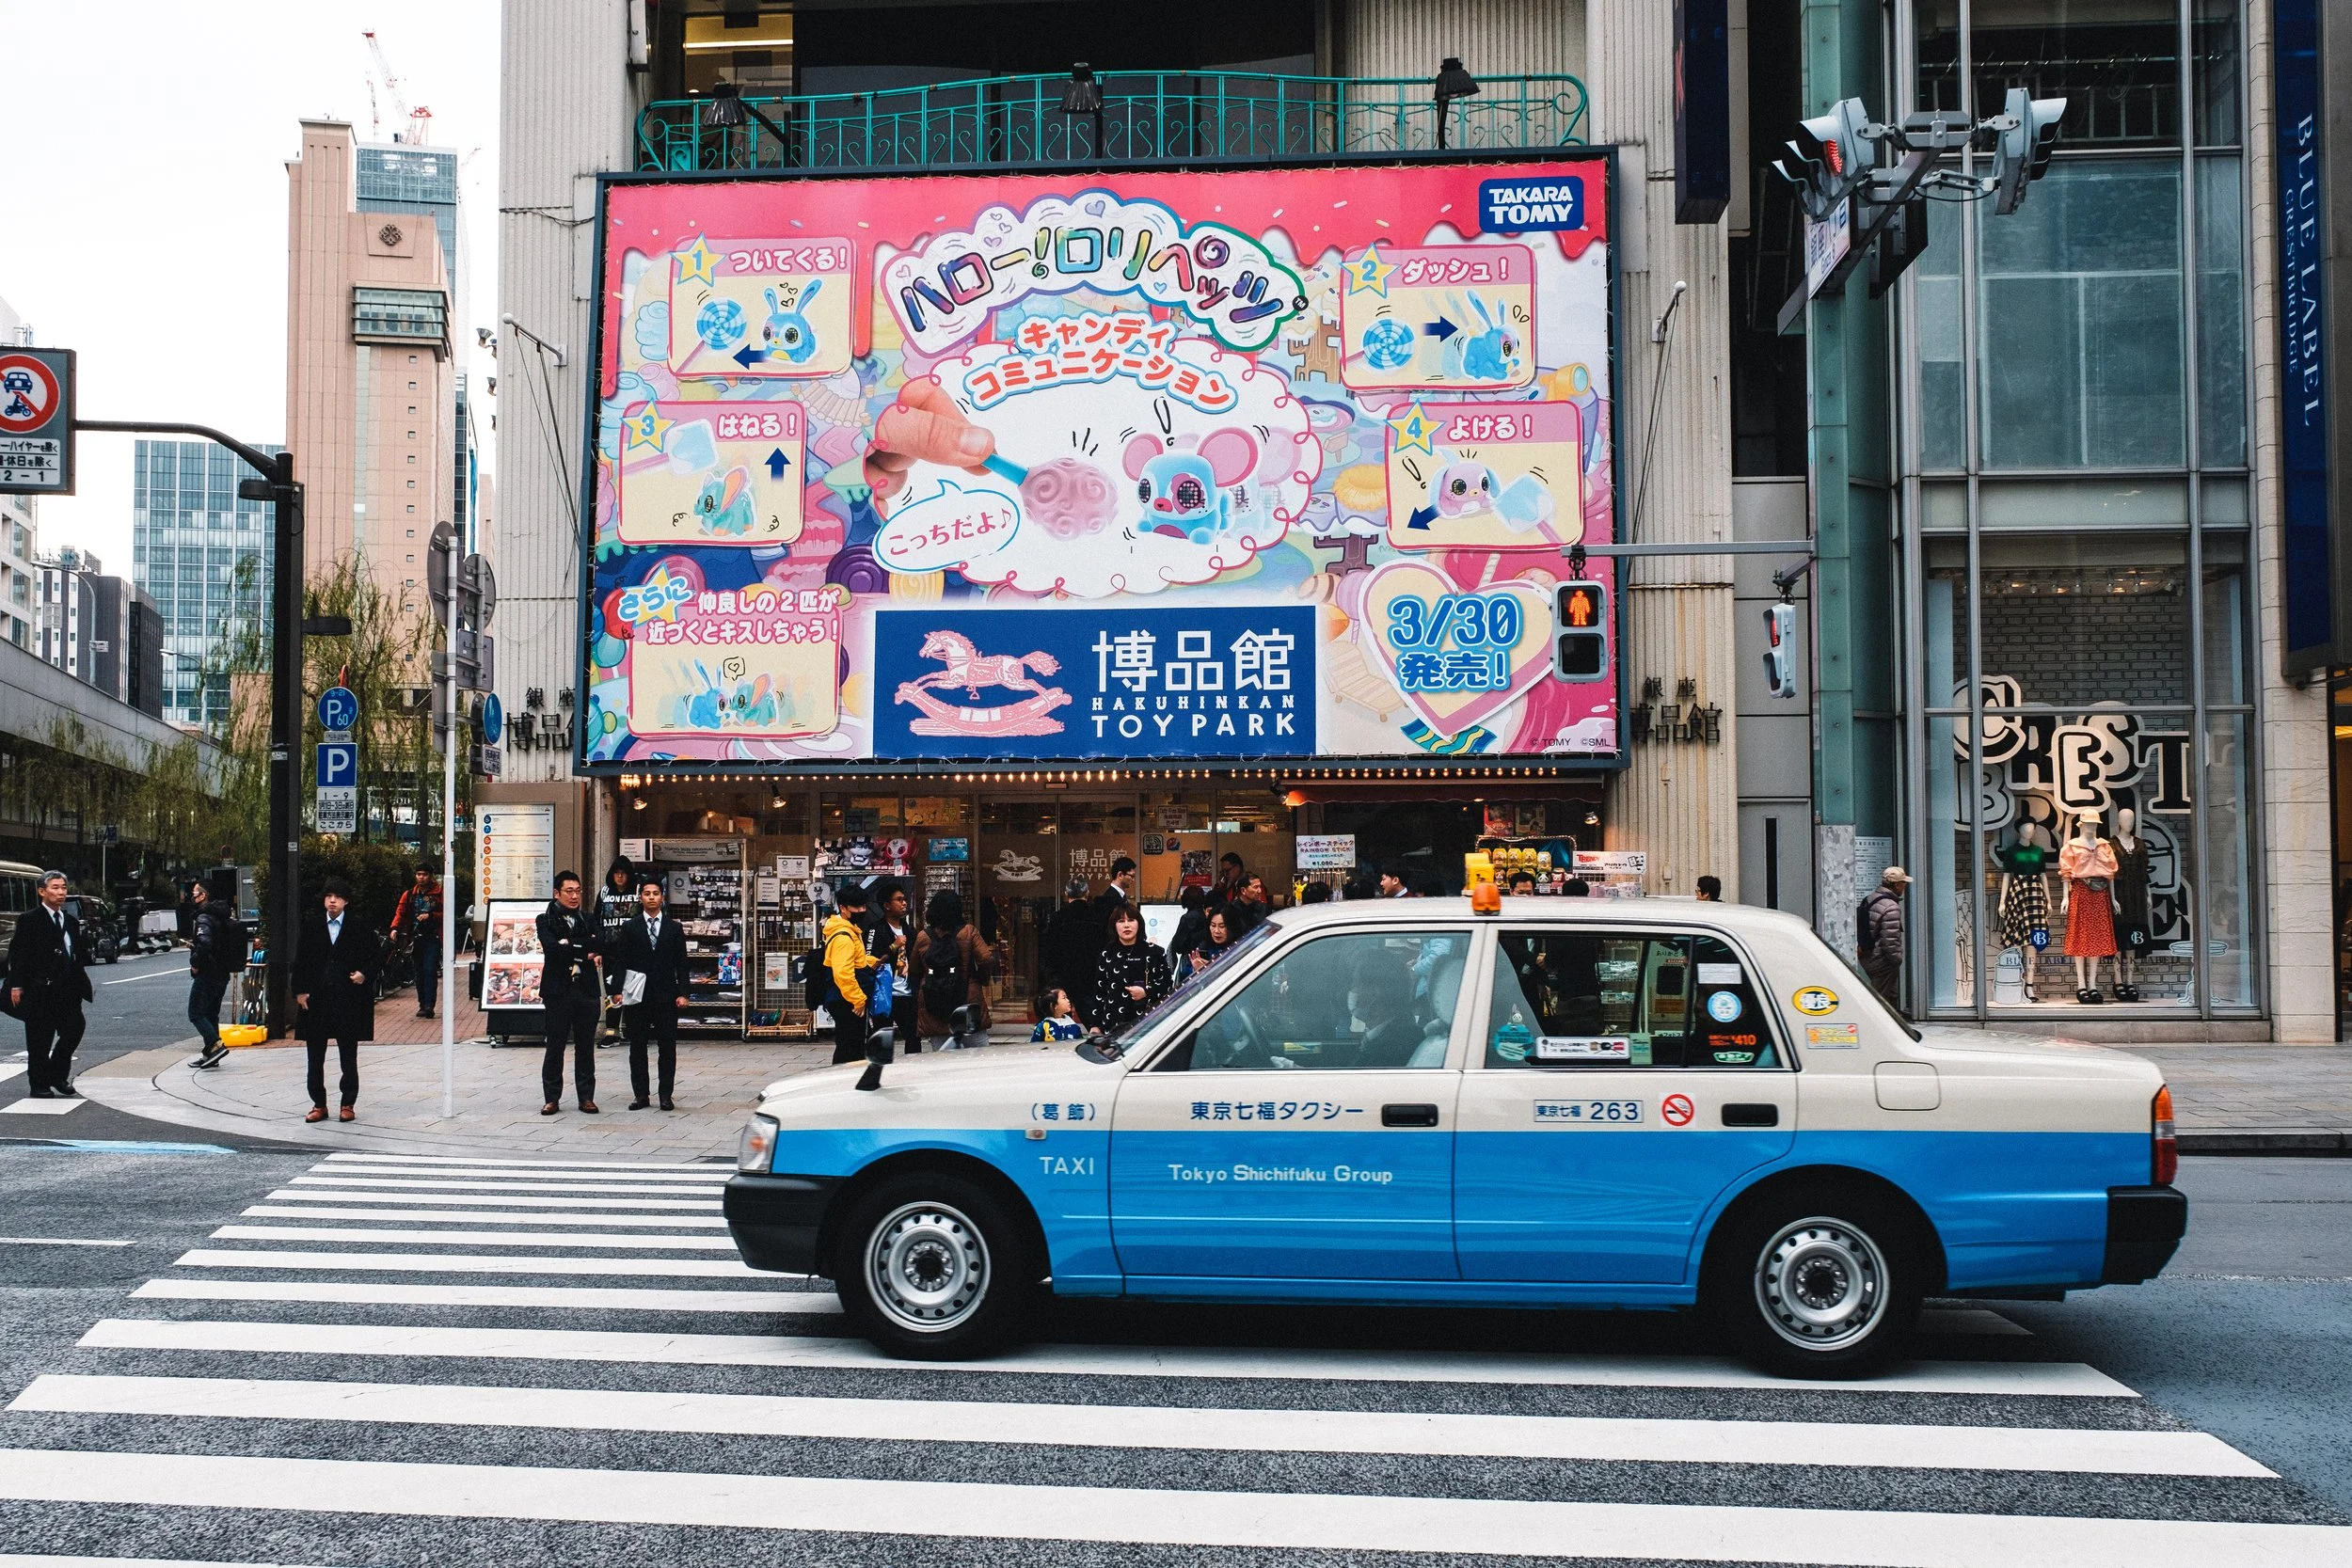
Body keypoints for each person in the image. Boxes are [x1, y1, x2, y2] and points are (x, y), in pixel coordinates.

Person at [294, 879, 377, 1123]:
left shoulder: (358, 926)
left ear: (346, 901)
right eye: (328, 896)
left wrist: (365, 973)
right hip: (316, 999)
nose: (332, 901)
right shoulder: (312, 925)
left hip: (348, 998)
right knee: (314, 1056)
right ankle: (318, 1104)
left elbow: (375, 956)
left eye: (338, 897)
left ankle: (347, 1103)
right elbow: (301, 960)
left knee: (348, 1055)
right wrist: (299, 991)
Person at [7, 870, 91, 1100]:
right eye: (55, 887)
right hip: (39, 989)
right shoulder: (29, 919)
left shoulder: (70, 922)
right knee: (39, 1040)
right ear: (42, 891)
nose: (61, 892)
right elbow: (18, 954)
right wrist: (16, 985)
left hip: (68, 990)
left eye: (63, 887)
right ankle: (39, 1084)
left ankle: (57, 1074)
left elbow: (77, 954)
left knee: (74, 1029)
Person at [614, 877, 690, 1110]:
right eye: (647, 894)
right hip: (638, 996)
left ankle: (665, 1095)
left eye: (655, 893)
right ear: (641, 898)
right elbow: (621, 960)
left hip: (666, 996)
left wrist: (684, 992)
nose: (651, 898)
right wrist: (616, 991)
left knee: (667, 1046)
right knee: (637, 1046)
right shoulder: (630, 927)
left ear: (662, 897)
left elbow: (682, 963)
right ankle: (641, 1095)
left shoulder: (674, 928)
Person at [535, 870, 603, 1116]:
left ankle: (586, 1097)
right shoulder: (545, 920)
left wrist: (570, 945)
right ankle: (552, 1098)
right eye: (569, 891)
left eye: (578, 891)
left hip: (585, 990)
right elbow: (552, 950)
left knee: (586, 1046)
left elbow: (599, 943)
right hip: (558, 991)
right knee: (555, 1045)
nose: (575, 896)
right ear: (557, 893)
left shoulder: (589, 918)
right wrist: (582, 950)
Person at [914, 889, 996, 1051]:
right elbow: (985, 958)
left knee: (941, 1053)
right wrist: (981, 979)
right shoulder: (969, 931)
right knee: (979, 1050)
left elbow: (915, 968)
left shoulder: (923, 936)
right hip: (967, 996)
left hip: (934, 997)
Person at [818, 881, 882, 1075]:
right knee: (850, 1045)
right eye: (857, 907)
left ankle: (846, 1080)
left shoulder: (849, 929)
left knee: (850, 1043)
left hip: (844, 998)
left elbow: (855, 961)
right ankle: (843, 1081)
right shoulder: (843, 936)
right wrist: (858, 999)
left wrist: (872, 961)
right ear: (843, 908)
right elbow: (843, 972)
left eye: (863, 906)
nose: (862, 910)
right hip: (846, 1000)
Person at [1093, 903, 1172, 1034]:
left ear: (1139, 924)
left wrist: (1146, 991)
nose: (1126, 925)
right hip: (1112, 1024)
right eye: (1121, 921)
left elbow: (1167, 985)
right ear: (1114, 926)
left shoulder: (1155, 953)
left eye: (1131, 920)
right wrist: (1095, 1025)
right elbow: (1099, 992)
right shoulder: (1107, 954)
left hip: (1148, 1024)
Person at [186, 878, 239, 1069]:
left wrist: (195, 963)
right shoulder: (222, 916)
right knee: (211, 1013)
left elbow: (205, 943)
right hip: (222, 972)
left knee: (195, 1012)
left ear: (203, 896)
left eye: (194, 894)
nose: (192, 897)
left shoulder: (205, 917)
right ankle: (210, 1054)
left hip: (208, 972)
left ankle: (216, 1046)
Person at [864, 879, 917, 1056]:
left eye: (904, 899)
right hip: (884, 994)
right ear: (887, 905)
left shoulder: (910, 931)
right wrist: (893, 947)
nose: (904, 903)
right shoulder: (875, 931)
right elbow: (870, 962)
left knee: (913, 1038)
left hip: (907, 994)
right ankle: (881, 1071)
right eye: (899, 899)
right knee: (882, 1039)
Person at [1042, 877, 1104, 1024]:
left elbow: (1049, 951)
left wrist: (1051, 977)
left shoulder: (1057, 918)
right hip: (1090, 977)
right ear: (1087, 893)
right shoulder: (1097, 916)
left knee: (1062, 1022)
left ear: (1066, 894)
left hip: (1063, 977)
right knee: (1093, 1022)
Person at [389, 867, 445, 1020]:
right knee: (419, 972)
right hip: (415, 938)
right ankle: (422, 1004)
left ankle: (429, 1005)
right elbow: (400, 912)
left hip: (432, 938)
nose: (421, 877)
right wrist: (395, 928)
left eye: (424, 874)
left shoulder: (439, 894)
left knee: (429, 971)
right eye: (419, 874)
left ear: (431, 876)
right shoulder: (409, 895)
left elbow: (447, 913)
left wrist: (431, 916)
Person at [1859, 866, 1913, 1015]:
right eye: (1903, 883)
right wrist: (1897, 959)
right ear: (1896, 885)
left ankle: (1894, 1021)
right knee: (1880, 1000)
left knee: (1890, 995)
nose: (1904, 887)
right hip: (1882, 960)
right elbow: (1890, 940)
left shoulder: (1870, 899)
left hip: (1868, 956)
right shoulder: (1891, 907)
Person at [596, 855, 639, 1039]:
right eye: (617, 873)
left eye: (623, 874)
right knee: (611, 989)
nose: (620, 877)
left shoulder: (638, 891)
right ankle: (612, 1029)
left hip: (633, 951)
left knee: (633, 989)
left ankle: (634, 1029)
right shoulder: (605, 893)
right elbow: (597, 921)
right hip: (610, 951)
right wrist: (598, 949)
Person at [1184, 907, 1237, 979]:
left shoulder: (1239, 947)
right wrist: (1196, 969)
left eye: (1222, 926)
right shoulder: (1203, 947)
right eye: (1213, 925)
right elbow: (1184, 973)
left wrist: (1213, 969)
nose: (1216, 931)